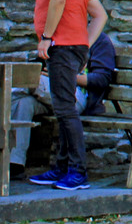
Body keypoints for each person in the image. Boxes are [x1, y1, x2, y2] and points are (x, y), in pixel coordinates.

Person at [29, 0, 107, 191]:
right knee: (64, 108)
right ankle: (63, 168)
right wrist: (86, 41)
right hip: (75, 47)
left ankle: (78, 172)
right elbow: (100, 15)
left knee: (65, 109)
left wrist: (47, 38)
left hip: (61, 46)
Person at [7, 33, 116, 181]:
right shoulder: (59, 35)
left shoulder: (99, 40)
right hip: (53, 93)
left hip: (77, 97)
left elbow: (102, 79)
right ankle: (15, 164)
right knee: (23, 102)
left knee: (29, 81)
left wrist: (64, 76)